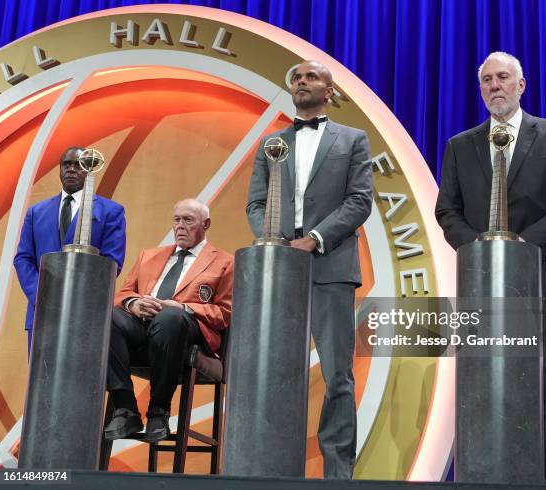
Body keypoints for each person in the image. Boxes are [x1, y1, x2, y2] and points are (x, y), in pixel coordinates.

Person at [435, 51, 546, 482]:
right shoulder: (460, 145)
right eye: (486, 80)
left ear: (521, 85)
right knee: (488, 391)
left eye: (503, 78)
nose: (494, 87)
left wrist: (521, 246)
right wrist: (484, 249)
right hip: (486, 287)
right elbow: (448, 211)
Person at [247, 60, 373, 479]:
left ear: (329, 89)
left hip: (330, 266)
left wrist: (314, 239)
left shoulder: (353, 140)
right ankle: (272, 468)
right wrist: (274, 241)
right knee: (276, 372)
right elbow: (256, 203)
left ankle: (338, 475)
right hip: (279, 268)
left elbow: (359, 201)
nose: (301, 81)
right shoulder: (272, 144)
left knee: (338, 374)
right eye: (296, 77)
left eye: (311, 77)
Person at [104, 198, 233, 443]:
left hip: (186, 331)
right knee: (108, 317)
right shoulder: (148, 256)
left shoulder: (224, 262)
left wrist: (183, 307)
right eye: (177, 220)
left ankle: (158, 411)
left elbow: (225, 313)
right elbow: (122, 295)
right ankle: (126, 408)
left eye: (188, 220)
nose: (180, 226)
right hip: (143, 326)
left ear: (206, 224)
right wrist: (135, 304)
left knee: (171, 317)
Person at [14, 146, 126, 352]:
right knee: (41, 380)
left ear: (89, 169)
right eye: (66, 164)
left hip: (85, 312)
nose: (71, 169)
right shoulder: (36, 212)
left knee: (81, 379)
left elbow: (112, 262)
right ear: (59, 169)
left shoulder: (111, 212)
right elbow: (23, 258)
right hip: (41, 311)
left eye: (79, 165)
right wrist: (40, 294)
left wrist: (77, 294)